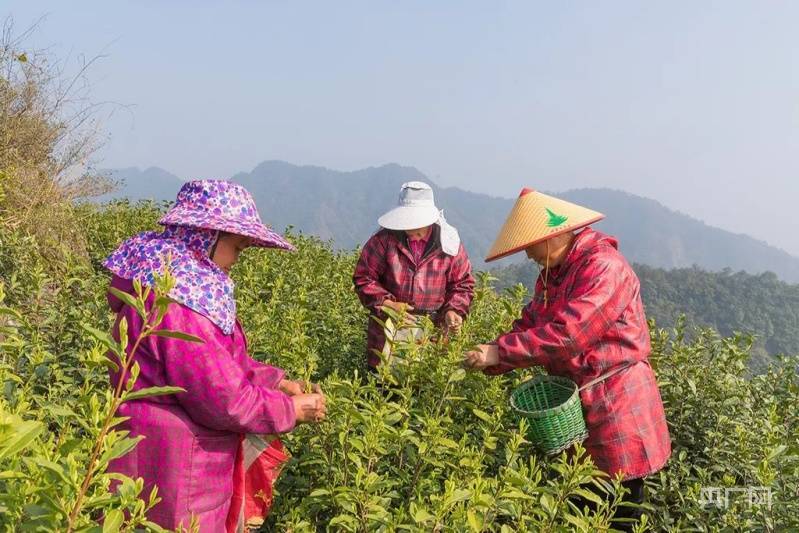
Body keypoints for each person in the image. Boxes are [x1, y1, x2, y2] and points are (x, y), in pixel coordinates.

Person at [103, 180, 327, 531]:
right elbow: (224, 398)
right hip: (177, 466)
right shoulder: (181, 304)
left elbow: (220, 360)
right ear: (206, 237)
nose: (238, 258)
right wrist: (292, 410)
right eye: (237, 246)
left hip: (149, 447)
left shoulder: (167, 282)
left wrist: (277, 382)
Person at [464, 187, 671, 528]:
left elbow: (569, 334)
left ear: (554, 235)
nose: (527, 254)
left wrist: (501, 353)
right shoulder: (552, 275)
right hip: (580, 406)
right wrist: (492, 352)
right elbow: (532, 320)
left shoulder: (604, 268)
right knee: (579, 504)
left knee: (618, 508)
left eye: (529, 244)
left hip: (618, 403)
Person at [353, 181, 475, 370]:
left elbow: (462, 284)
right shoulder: (384, 241)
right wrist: (388, 304)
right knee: (384, 386)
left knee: (422, 386)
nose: (412, 231)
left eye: (418, 226)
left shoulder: (448, 245)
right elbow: (364, 278)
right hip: (389, 329)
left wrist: (454, 310)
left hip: (432, 331)